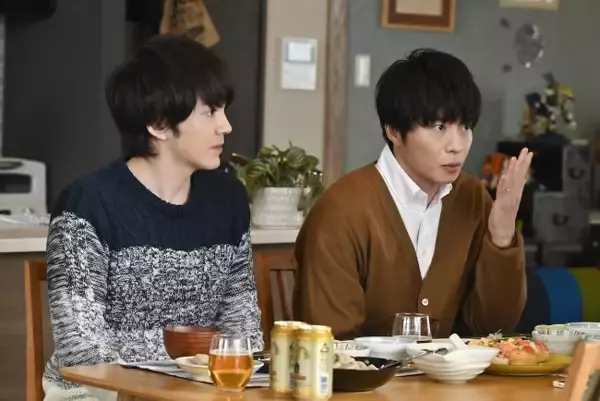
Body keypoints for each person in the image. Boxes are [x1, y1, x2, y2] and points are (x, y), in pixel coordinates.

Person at [43, 34, 263, 400]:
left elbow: (243, 330)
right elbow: (82, 351)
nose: (225, 126)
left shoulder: (229, 199)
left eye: (223, 110)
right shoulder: (88, 204)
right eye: (210, 111)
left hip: (199, 393)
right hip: (98, 394)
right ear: (158, 123)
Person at [293, 49, 532, 340]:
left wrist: (502, 234)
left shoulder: (471, 198)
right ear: (394, 131)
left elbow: (493, 328)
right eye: (439, 127)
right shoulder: (341, 211)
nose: (457, 145)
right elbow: (331, 342)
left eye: (465, 127)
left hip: (453, 371)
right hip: (362, 371)